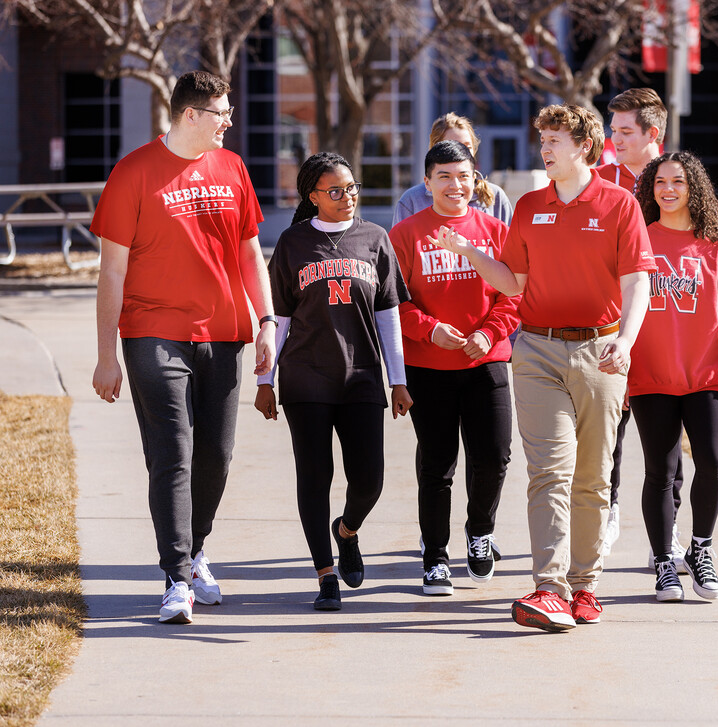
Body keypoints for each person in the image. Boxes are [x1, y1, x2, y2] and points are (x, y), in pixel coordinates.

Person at [429, 104, 654, 631]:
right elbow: (512, 283)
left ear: (584, 147)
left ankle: (585, 586)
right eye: (543, 141)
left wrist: (626, 339)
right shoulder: (529, 207)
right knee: (549, 471)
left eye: (555, 141)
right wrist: (466, 251)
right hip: (536, 352)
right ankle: (549, 588)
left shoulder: (620, 204)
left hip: (601, 351)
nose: (545, 150)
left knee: (594, 478)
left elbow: (636, 282)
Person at [91, 71, 276, 624]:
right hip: (151, 331)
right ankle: (175, 577)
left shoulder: (232, 168)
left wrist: (266, 321)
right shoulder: (133, 173)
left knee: (215, 455)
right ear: (190, 115)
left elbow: (249, 254)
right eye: (222, 113)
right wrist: (106, 355)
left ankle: (195, 552)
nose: (229, 122)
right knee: (173, 449)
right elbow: (112, 272)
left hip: (223, 332)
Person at [254, 152, 412, 611]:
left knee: (370, 480)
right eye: (336, 191)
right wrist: (266, 379)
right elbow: (279, 320)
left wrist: (397, 380)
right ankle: (325, 574)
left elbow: (389, 319)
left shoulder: (375, 239)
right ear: (313, 197)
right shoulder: (292, 244)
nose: (348, 198)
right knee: (314, 476)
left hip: (361, 377)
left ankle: (346, 531)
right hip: (306, 378)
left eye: (352, 188)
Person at [628, 151, 718, 602]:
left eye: (678, 182)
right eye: (659, 182)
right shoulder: (638, 241)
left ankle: (701, 550)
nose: (668, 190)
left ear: (695, 190)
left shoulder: (714, 248)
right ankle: (664, 565)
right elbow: (616, 308)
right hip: (652, 377)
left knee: (711, 463)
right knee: (660, 471)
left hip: (706, 375)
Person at [389, 140, 519, 596]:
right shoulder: (405, 235)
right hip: (431, 367)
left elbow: (515, 295)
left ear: (475, 180)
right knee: (437, 464)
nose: (454, 184)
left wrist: (488, 333)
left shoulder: (495, 231)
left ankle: (480, 532)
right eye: (443, 176)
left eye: (463, 175)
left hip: (486, 362)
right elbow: (391, 304)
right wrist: (429, 330)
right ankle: (435, 558)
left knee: (494, 456)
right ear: (427, 183)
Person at [591, 88, 685, 562]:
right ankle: (608, 514)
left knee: (666, 436)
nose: (615, 139)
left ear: (654, 133)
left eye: (626, 131)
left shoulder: (675, 182)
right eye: (613, 131)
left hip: (666, 327)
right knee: (610, 428)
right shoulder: (598, 181)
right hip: (609, 325)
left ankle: (665, 533)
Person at [392, 113, 513, 226]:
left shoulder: (495, 197)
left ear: (475, 151)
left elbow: (509, 246)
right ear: (435, 149)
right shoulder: (412, 201)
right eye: (452, 144)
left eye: (467, 146)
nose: (459, 152)